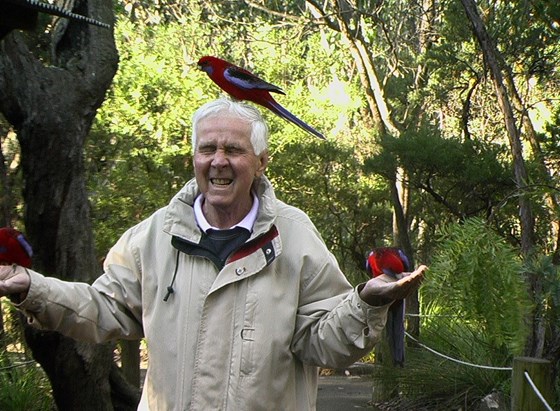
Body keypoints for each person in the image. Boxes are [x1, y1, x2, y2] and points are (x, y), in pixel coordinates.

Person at [0, 98, 426, 410]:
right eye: (208, 149)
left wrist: (366, 303)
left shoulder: (295, 236)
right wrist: (32, 289)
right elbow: (102, 308)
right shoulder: (152, 236)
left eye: (234, 150)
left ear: (261, 162)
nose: (218, 161)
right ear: (194, 157)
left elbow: (324, 343)